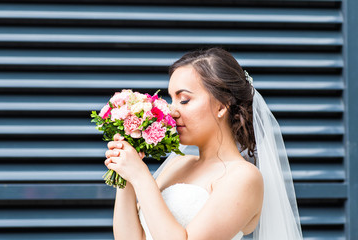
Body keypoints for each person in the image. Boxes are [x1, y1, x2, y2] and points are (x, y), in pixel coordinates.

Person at [104, 48, 303, 240]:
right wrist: (127, 178)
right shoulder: (178, 164)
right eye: (171, 99)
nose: (172, 112)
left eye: (184, 100)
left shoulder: (244, 176)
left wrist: (140, 176)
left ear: (221, 105)